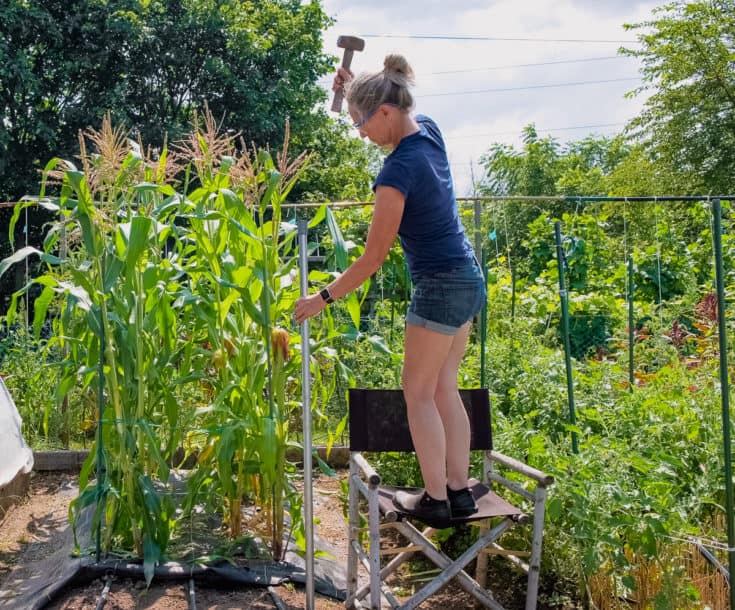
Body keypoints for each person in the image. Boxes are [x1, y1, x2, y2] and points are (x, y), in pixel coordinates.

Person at [294, 54, 486, 528]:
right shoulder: (430, 132)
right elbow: (391, 95)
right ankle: (459, 493)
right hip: (468, 278)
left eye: (362, 123)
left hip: (439, 284)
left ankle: (436, 500)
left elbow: (372, 258)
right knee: (445, 387)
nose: (360, 133)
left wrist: (321, 299)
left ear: (383, 112)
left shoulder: (395, 174)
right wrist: (357, 85)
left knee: (417, 392)